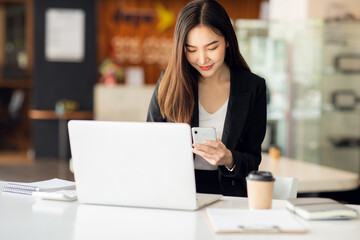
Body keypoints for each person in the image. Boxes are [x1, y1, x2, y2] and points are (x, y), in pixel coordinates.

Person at [147, 0, 266, 197]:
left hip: (229, 194)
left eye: (211, 47)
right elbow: (150, 144)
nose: (202, 60)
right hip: (174, 192)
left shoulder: (253, 87)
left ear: (228, 40)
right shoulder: (169, 82)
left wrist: (229, 158)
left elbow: (253, 159)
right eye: (191, 50)